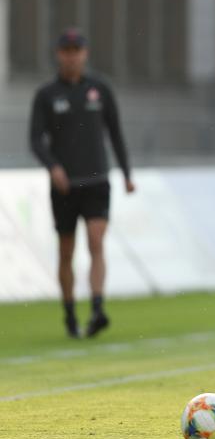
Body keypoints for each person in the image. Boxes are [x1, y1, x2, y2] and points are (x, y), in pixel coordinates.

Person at [28, 29, 135, 339]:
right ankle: (70, 313)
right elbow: (35, 140)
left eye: (77, 49)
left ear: (85, 53)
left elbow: (115, 133)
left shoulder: (100, 89)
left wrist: (127, 173)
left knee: (96, 240)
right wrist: (53, 167)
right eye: (66, 50)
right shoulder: (46, 95)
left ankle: (98, 308)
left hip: (97, 180)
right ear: (58, 54)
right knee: (66, 250)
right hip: (64, 185)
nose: (72, 55)